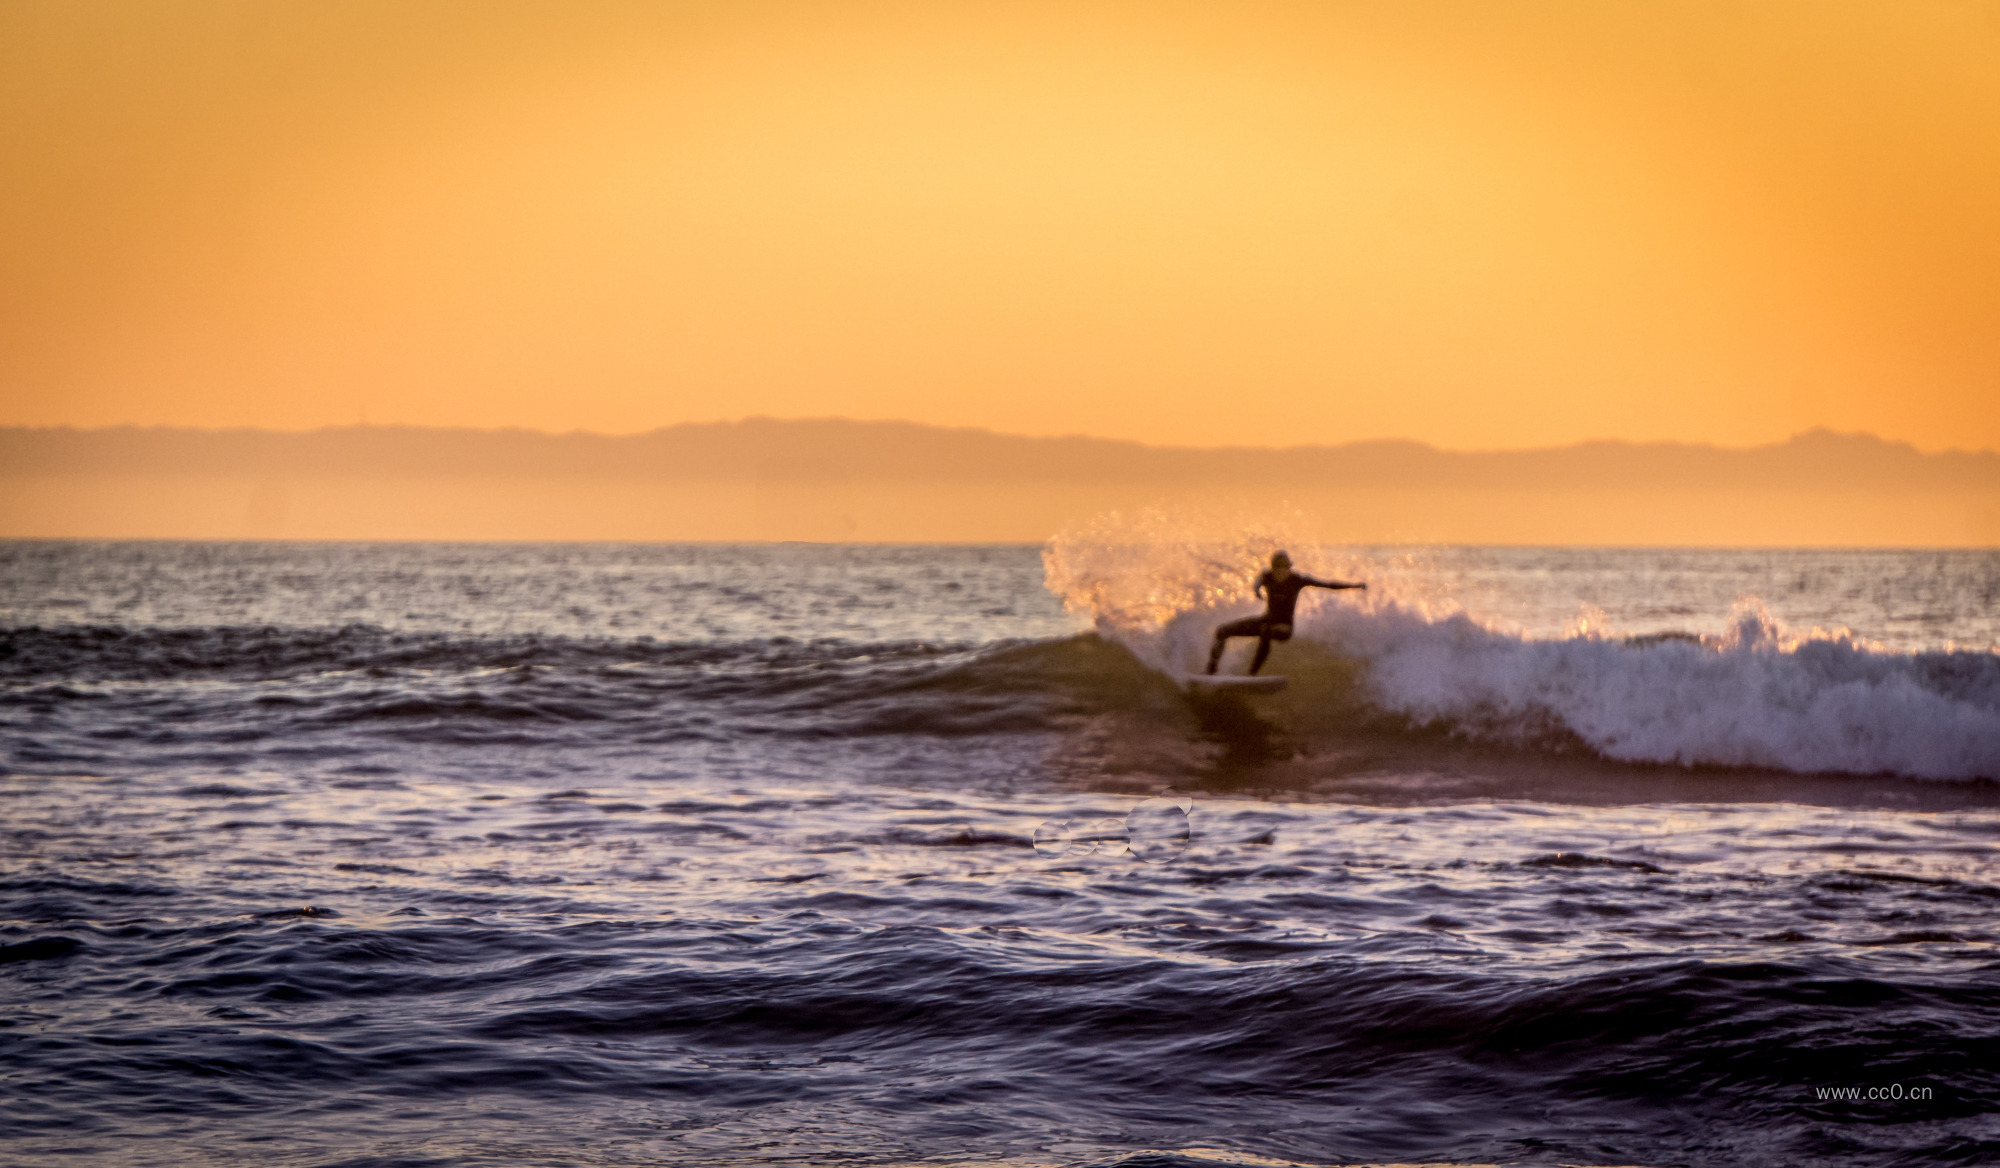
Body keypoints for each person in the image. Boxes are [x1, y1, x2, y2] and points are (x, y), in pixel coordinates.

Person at [1205, 551, 1365, 675]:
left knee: (1266, 630)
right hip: (1266, 620)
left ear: (1289, 568)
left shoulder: (1297, 580)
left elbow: (1329, 585)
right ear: (1273, 568)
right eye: (1277, 569)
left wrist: (1355, 586)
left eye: (1284, 569)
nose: (1280, 573)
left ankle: (1251, 674)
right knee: (1222, 631)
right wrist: (1256, 590)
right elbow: (1258, 581)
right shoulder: (1267, 576)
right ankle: (1211, 670)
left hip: (1284, 628)